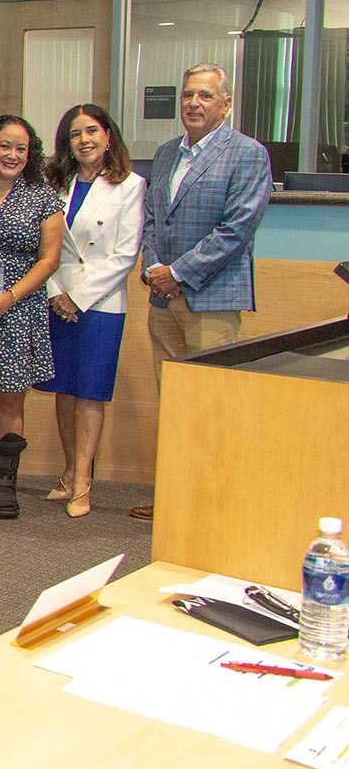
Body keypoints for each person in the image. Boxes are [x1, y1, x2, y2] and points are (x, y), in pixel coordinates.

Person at [132, 63, 271, 520]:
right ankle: (174, 494)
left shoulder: (247, 154)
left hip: (211, 299)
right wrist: (154, 267)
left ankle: (211, 504)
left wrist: (179, 272)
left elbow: (236, 230)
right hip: (163, 300)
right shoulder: (168, 152)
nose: (194, 103)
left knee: (211, 406)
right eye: (189, 95)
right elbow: (152, 218)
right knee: (173, 404)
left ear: (226, 105)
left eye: (206, 96)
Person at [36, 104, 145, 519]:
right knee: (64, 389)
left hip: (99, 304)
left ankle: (84, 480)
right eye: (75, 134)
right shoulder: (53, 183)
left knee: (89, 393)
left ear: (108, 135)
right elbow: (42, 246)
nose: (84, 140)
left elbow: (125, 254)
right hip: (55, 295)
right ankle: (66, 474)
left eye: (92, 131)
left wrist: (77, 298)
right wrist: (56, 292)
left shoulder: (130, 185)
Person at [0, 115, 64, 519]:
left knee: (8, 398)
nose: (12, 155)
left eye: (21, 148)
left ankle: (1, 483)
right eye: (4, 146)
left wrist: (7, 297)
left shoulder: (42, 197)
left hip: (19, 307)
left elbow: (50, 259)